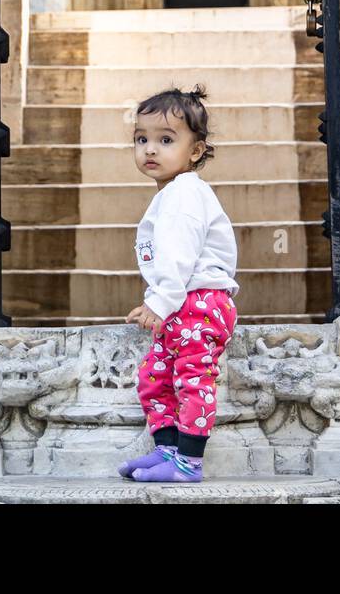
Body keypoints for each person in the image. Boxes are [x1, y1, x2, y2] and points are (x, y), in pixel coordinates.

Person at [118, 86, 239, 484]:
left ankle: (189, 462)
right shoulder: (171, 193)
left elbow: (180, 254)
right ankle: (167, 449)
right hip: (181, 304)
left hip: (198, 302)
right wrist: (164, 301)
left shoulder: (185, 193)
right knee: (154, 376)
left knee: (191, 378)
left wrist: (160, 301)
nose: (150, 149)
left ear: (195, 151)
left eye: (166, 140)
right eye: (142, 139)